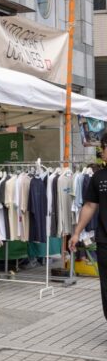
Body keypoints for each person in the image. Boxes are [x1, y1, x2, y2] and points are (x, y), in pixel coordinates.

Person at [67, 132, 107, 322]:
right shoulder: (98, 177)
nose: (102, 152)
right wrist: (76, 233)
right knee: (106, 286)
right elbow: (90, 205)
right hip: (105, 241)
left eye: (103, 148)